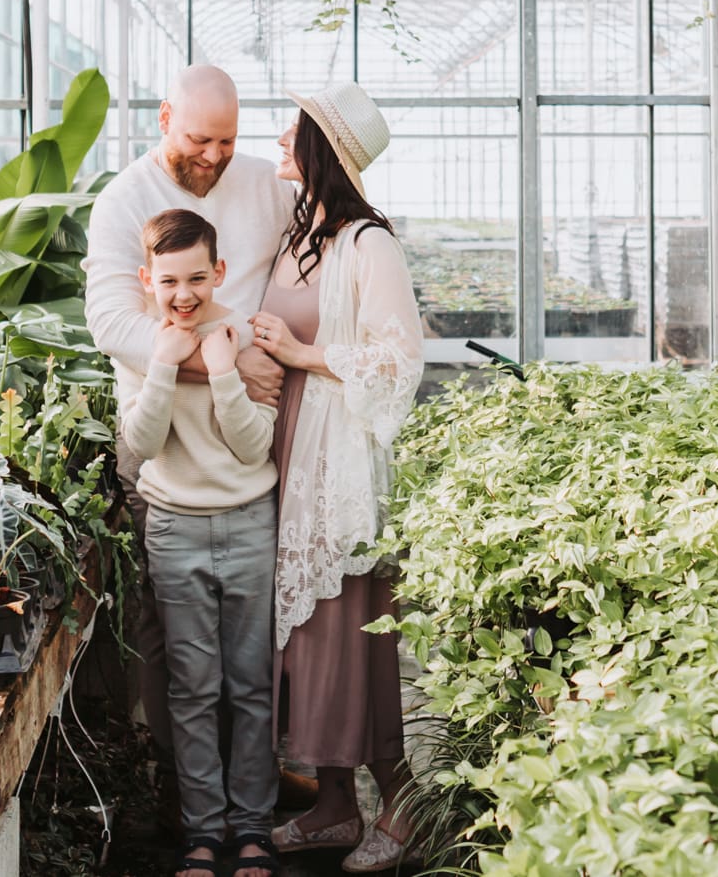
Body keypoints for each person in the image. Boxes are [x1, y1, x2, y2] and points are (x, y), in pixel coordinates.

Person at [83, 66, 296, 777]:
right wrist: (217, 359)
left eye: (227, 141)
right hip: (168, 455)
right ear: (164, 116)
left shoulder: (267, 184)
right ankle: (184, 793)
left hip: (252, 445)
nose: (211, 156)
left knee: (256, 640)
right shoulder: (123, 201)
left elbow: (319, 247)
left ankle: (259, 778)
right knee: (175, 643)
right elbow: (111, 322)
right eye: (198, 139)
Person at [248, 82, 426, 873]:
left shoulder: (368, 242)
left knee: (347, 635)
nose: (280, 137)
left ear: (326, 147)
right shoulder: (296, 231)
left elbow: (397, 358)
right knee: (301, 644)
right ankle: (331, 805)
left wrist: (298, 353)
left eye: (296, 129)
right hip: (285, 450)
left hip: (336, 463)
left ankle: (404, 800)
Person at [118, 209, 282, 877]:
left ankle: (253, 830)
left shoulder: (242, 336)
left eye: (196, 278)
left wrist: (223, 372)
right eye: (168, 281)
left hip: (248, 521)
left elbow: (253, 445)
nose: (183, 295)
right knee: (192, 687)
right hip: (174, 527)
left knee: (250, 685)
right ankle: (201, 832)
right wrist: (163, 367)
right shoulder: (146, 345)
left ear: (217, 272)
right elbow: (142, 442)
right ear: (147, 280)